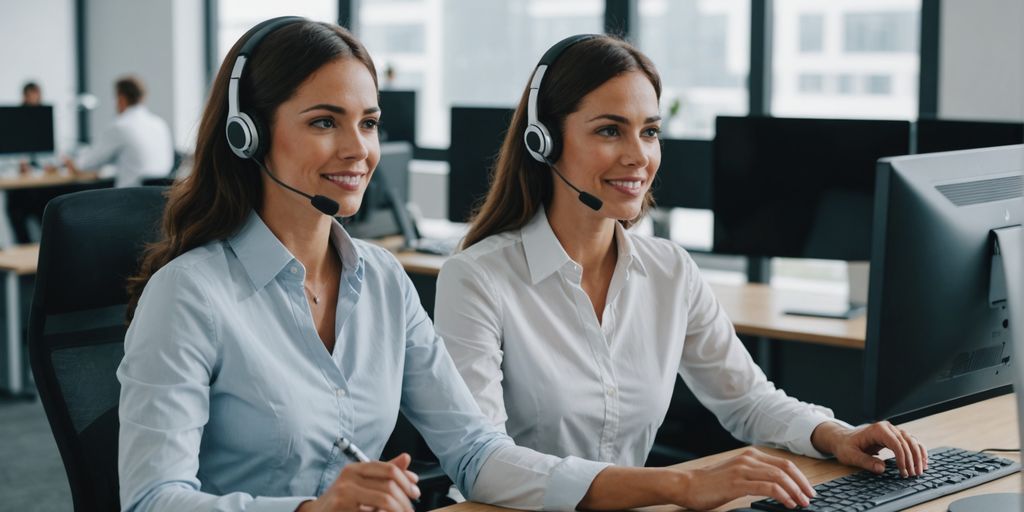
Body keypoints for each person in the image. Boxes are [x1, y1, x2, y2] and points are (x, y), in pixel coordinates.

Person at [119, 17, 766, 512]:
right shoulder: (191, 295)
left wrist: (680, 485)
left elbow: (477, 453)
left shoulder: (381, 282)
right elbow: (152, 499)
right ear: (247, 135)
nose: (357, 149)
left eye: (369, 122)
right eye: (324, 122)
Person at [434, 34, 929, 511]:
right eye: (610, 130)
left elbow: (747, 399)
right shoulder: (477, 277)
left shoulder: (670, 271)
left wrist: (835, 435)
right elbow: (483, 462)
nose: (639, 156)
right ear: (544, 142)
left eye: (649, 131)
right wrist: (681, 484)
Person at [62, 75, 173, 187]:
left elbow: (87, 164)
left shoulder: (120, 126)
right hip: (160, 196)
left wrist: (69, 162)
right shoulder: (160, 124)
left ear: (121, 98)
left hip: (129, 197)